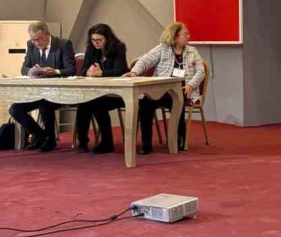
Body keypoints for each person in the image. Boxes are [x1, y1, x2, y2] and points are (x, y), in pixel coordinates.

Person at [124, 22, 204, 154]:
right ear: (175, 37)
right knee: (145, 106)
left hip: (183, 89)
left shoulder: (192, 51)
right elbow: (145, 61)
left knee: (178, 103)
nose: (188, 36)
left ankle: (178, 139)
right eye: (185, 34)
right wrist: (134, 72)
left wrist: (191, 85)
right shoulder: (162, 49)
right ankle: (146, 144)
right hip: (161, 90)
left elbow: (201, 71)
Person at [9, 21, 76, 152]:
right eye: (33, 40)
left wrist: (55, 71)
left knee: (45, 105)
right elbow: (24, 68)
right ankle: (40, 134)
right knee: (15, 109)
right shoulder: (31, 45)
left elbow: (71, 70)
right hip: (39, 92)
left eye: (39, 39)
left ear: (47, 34)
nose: (36, 43)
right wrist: (32, 71)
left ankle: (50, 139)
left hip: (60, 92)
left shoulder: (63, 44)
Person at [74, 24, 128, 154]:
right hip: (97, 92)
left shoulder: (118, 48)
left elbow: (120, 70)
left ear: (107, 39)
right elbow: (84, 70)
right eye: (93, 40)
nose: (96, 43)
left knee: (97, 104)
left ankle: (107, 142)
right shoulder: (91, 49)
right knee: (84, 103)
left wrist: (101, 73)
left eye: (99, 40)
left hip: (116, 93)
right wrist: (88, 72)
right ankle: (82, 142)